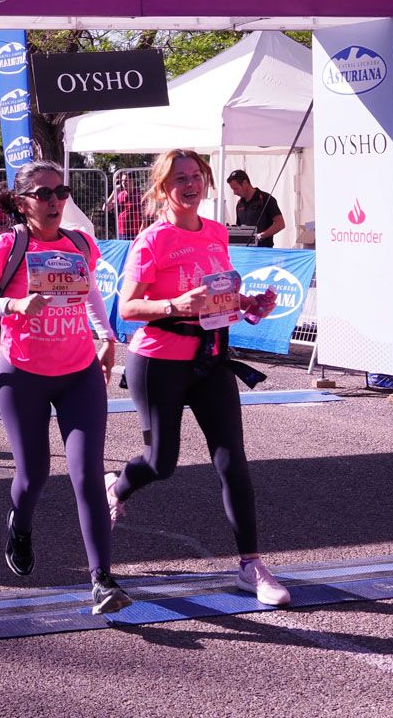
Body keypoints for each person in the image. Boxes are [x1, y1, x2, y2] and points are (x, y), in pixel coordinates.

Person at [109, 149, 288, 606]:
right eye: (178, 178)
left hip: (210, 358)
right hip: (158, 359)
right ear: (162, 188)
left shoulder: (215, 232)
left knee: (233, 462)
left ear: (206, 182)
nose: (190, 185)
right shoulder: (151, 240)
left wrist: (247, 305)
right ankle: (117, 486)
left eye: (196, 176)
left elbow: (219, 290)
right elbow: (127, 308)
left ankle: (251, 565)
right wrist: (174, 306)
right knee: (161, 462)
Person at [0, 161, 128, 613]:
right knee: (33, 474)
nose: (54, 201)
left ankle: (102, 580)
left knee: (87, 473)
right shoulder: (8, 246)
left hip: (79, 374)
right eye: (42, 193)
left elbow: (91, 293)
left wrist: (107, 338)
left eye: (60, 192)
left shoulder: (80, 244)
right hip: (23, 377)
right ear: (20, 201)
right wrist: (13, 304)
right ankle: (21, 524)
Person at [226, 170, 284, 247]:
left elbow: (280, 224)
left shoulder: (266, 199)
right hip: (244, 251)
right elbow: (239, 227)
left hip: (262, 251)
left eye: (236, 189)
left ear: (245, 183)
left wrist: (261, 236)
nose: (234, 193)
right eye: (233, 189)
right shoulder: (239, 204)